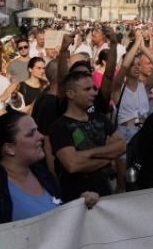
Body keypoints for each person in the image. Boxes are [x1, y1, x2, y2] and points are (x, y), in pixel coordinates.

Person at [0, 37, 99, 230]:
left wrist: (79, 203)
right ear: (9, 148)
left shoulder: (42, 174)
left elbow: (59, 216)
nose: (41, 136)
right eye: (31, 134)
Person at [49, 69, 126, 202]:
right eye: (87, 89)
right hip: (78, 201)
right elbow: (72, 165)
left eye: (94, 88)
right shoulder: (60, 126)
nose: (93, 93)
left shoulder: (100, 118)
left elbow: (122, 146)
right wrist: (108, 158)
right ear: (70, 94)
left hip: (106, 195)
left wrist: (87, 154)